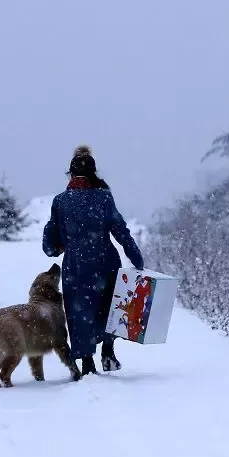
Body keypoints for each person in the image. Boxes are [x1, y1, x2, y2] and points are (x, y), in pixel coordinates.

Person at [42, 145, 144, 376]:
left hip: (76, 267)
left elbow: (49, 243)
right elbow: (121, 231)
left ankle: (87, 362)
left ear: (70, 174)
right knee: (110, 308)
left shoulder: (60, 201)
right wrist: (136, 259)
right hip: (106, 262)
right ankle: (108, 351)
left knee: (80, 313)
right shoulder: (104, 197)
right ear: (94, 174)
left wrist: (58, 247)